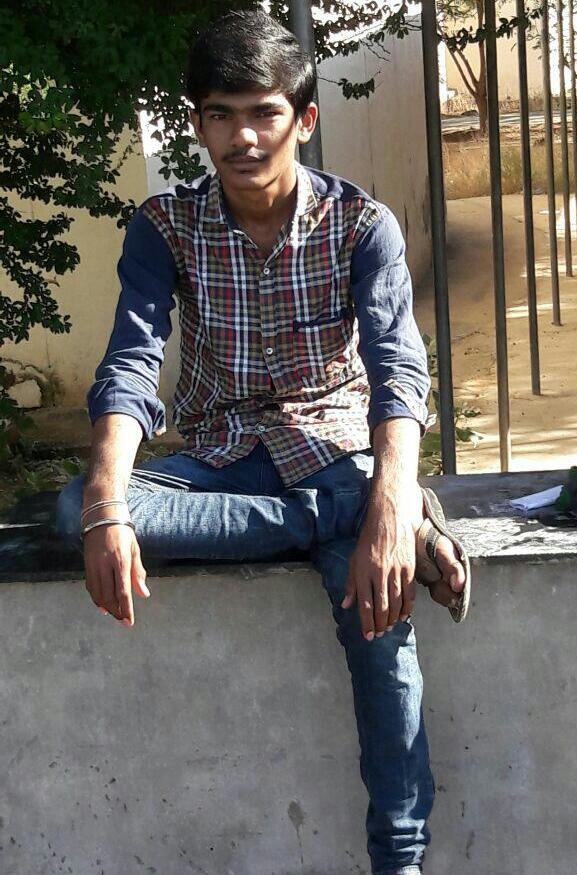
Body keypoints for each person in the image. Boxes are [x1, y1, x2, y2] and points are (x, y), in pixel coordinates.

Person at [57, 10, 469, 874]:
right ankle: (342, 514)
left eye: (263, 113)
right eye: (220, 114)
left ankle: (400, 860)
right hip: (223, 458)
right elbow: (131, 365)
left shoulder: (360, 224)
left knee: (379, 619)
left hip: (334, 447)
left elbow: (399, 374)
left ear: (303, 118)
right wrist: (105, 506)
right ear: (197, 124)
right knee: (75, 510)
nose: (242, 137)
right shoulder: (164, 226)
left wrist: (389, 498)